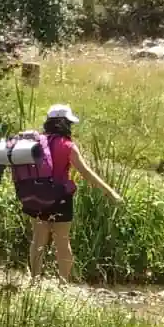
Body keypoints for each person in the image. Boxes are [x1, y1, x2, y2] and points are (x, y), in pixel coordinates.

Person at [23, 104, 122, 282]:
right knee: (62, 241)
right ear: (64, 123)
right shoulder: (67, 145)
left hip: (35, 196)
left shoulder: (36, 143)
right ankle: (63, 282)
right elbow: (86, 172)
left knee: (38, 240)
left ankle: (34, 281)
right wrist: (110, 193)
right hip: (61, 198)